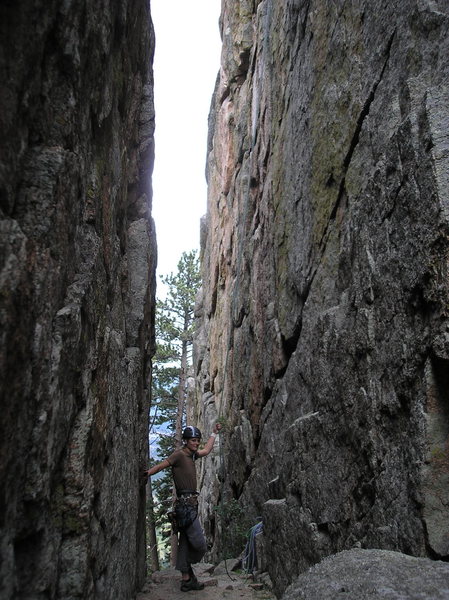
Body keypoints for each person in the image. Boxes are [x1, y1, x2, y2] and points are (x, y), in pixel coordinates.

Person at [146, 423, 222, 592]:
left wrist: (214, 433)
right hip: (185, 507)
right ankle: (188, 568)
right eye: (194, 441)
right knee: (200, 544)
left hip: (190, 506)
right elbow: (163, 464)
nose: (196, 443)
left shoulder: (193, 455)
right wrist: (149, 473)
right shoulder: (179, 455)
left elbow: (207, 450)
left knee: (185, 543)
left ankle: (186, 580)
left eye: (197, 441)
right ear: (186, 441)